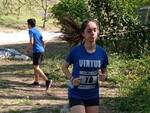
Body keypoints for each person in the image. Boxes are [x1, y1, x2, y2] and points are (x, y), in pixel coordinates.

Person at [62, 19, 108, 113]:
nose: (92, 33)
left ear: (98, 32)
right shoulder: (75, 51)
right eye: (89, 30)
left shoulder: (102, 52)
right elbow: (64, 67)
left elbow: (104, 71)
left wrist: (104, 76)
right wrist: (71, 79)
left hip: (93, 94)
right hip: (76, 93)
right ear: (83, 33)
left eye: (95, 30)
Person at [26, 18, 52, 90]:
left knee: (36, 67)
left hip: (37, 51)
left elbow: (31, 42)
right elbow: (43, 42)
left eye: (27, 24)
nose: (27, 25)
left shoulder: (30, 31)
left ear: (29, 24)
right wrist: (43, 47)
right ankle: (36, 82)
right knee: (36, 67)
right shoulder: (38, 31)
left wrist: (28, 49)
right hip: (41, 50)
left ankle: (47, 80)